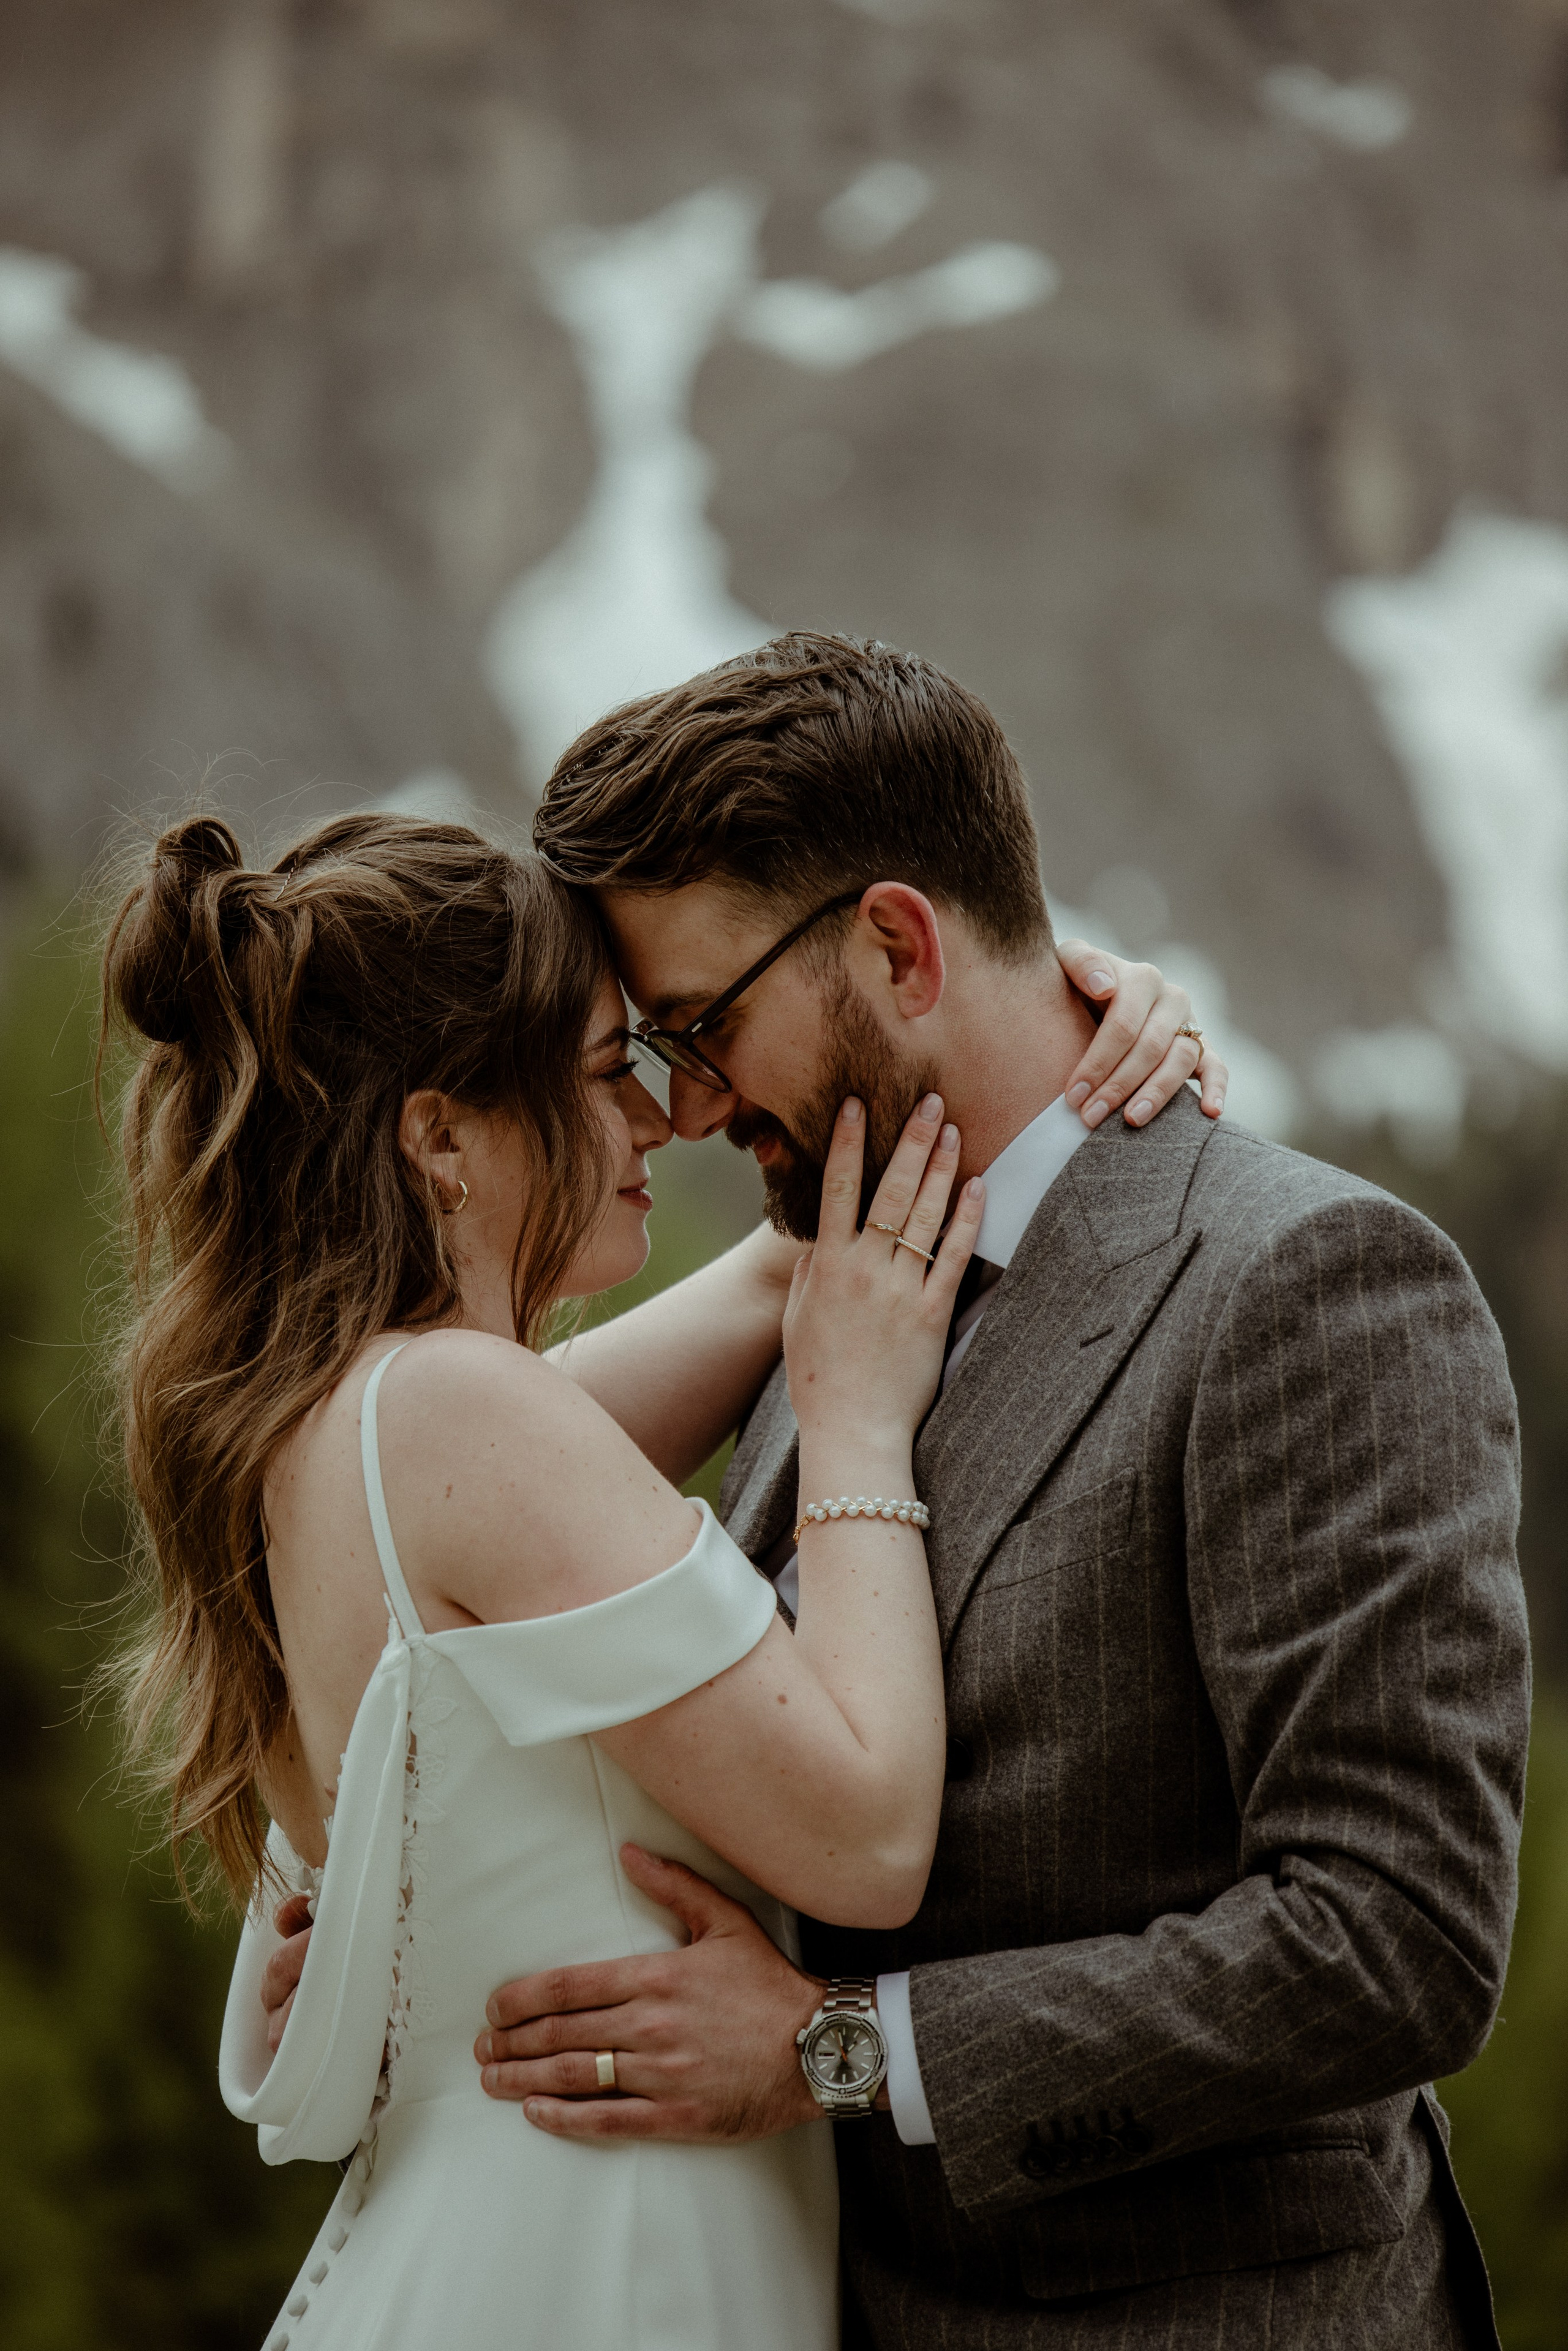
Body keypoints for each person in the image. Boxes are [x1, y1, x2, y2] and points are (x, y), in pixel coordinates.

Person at [443, 634, 1529, 2349]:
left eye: (707, 1028)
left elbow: (1396, 1932)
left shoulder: (1309, 1283)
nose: (697, 1103)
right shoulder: (832, 1281)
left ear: (895, 941)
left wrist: (834, 2045)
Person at [102, 807, 1200, 2350]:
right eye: (608, 1071)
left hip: (502, 2241)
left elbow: (798, 1258)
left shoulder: (335, 1422)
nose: (660, 1120)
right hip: (597, 2267)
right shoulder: (461, 1413)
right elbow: (869, 1832)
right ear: (439, 1134)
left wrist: (1051, 1032)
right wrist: (855, 1423)